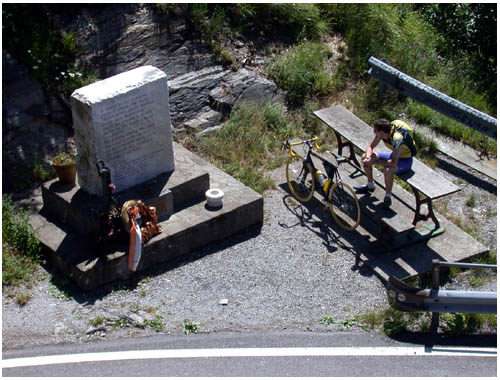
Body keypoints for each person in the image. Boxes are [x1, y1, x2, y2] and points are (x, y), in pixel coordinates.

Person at [353, 118, 417, 208]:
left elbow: (393, 163)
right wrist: (368, 158)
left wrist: (374, 162)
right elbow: (370, 147)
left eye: (375, 130)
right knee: (364, 156)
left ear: (382, 132)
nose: (374, 132)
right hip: (393, 156)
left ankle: (388, 197)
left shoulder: (397, 138)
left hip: (405, 160)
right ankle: (370, 185)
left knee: (388, 170)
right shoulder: (382, 133)